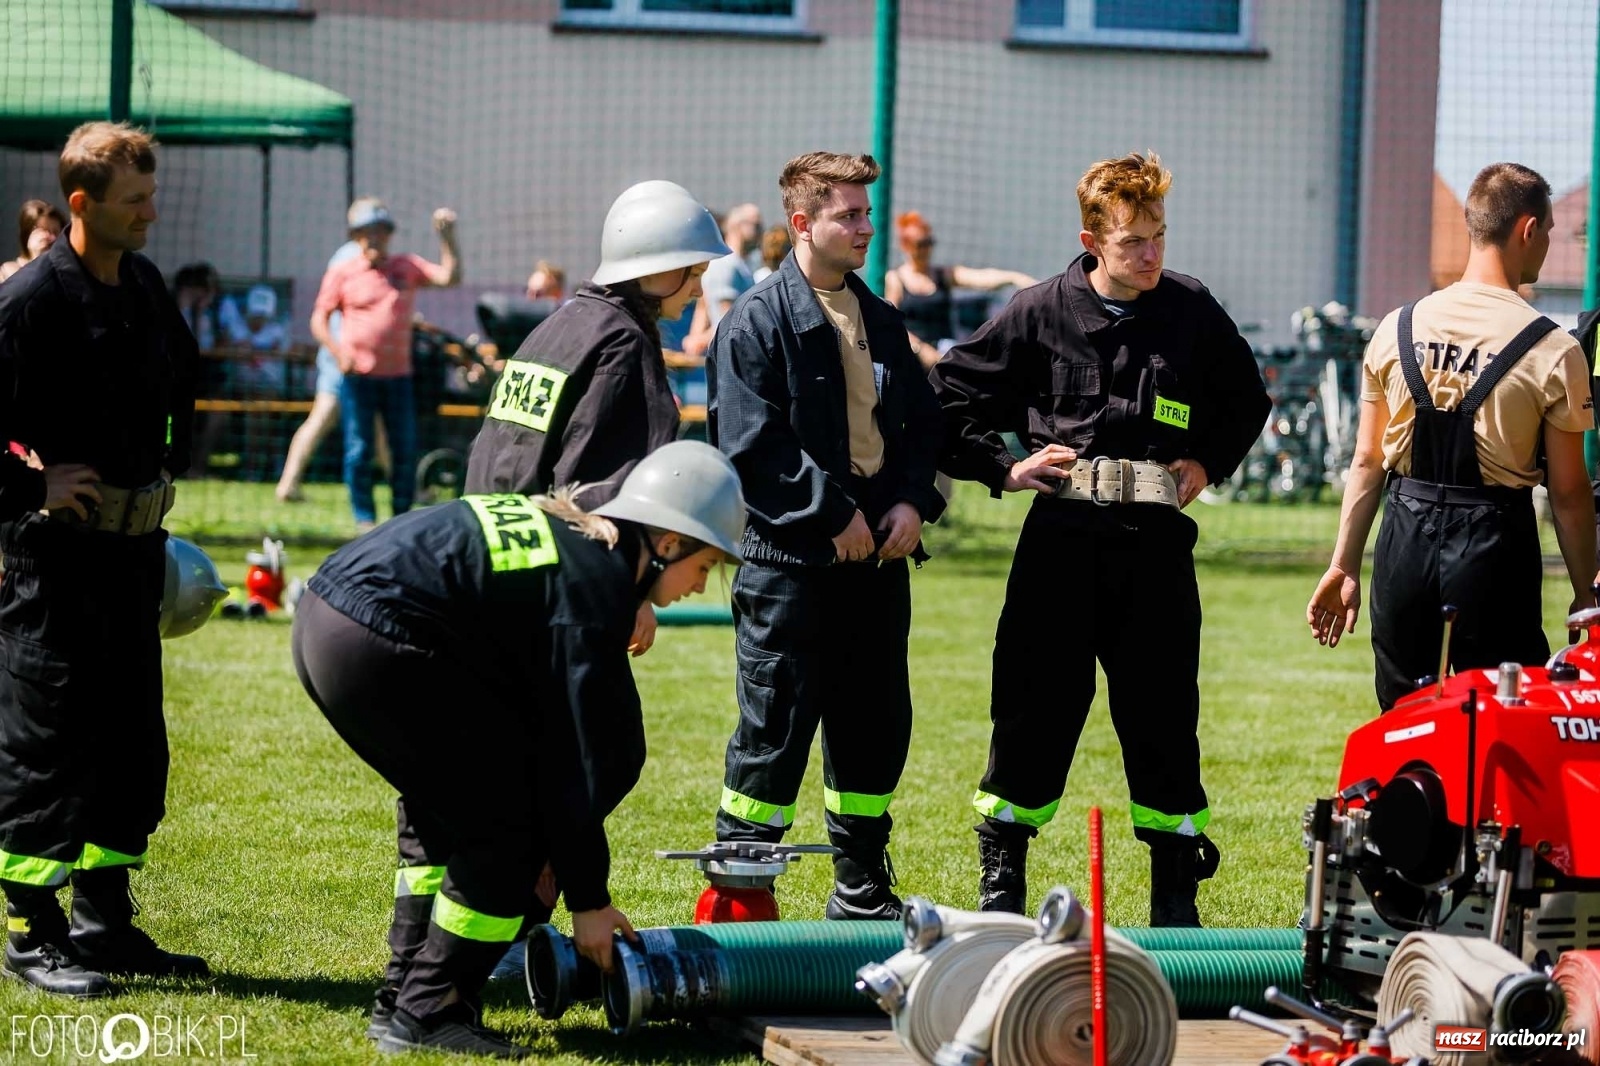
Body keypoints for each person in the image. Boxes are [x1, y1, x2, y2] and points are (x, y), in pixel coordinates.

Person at [292, 441, 746, 1058]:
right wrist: (589, 901)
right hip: (377, 636)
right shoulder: (594, 587)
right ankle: (430, 1012)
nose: (700, 585)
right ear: (668, 543)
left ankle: (405, 999)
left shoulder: (581, 545)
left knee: (446, 811)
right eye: (706, 564)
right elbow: (573, 758)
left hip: (327, 614)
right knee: (512, 824)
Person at [929, 152, 1269, 926]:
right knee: (1033, 707)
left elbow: (1246, 399)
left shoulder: (1190, 309)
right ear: (1091, 241)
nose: (1152, 255)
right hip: (1062, 542)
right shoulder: (1038, 312)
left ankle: (1176, 897)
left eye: (1160, 236)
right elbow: (946, 398)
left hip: (1155, 546)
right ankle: (1002, 885)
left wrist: (1206, 462)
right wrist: (1006, 468)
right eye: (1133, 242)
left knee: (1163, 713)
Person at [707, 151, 945, 921]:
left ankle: (861, 888)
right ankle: (742, 893)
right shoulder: (755, 322)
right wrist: (832, 514)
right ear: (802, 223)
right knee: (773, 729)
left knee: (874, 729)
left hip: (876, 565)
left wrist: (910, 503)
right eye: (849, 215)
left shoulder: (882, 320)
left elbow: (920, 429)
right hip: (789, 567)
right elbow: (751, 446)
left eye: (867, 214)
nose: (866, 228)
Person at [0, 121, 204, 997]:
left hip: (131, 561)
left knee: (129, 749)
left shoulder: (145, 285)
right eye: (135, 201)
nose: (151, 214)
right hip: (55, 568)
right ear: (81, 204)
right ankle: (31, 934)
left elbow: (183, 378)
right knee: (48, 747)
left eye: (153, 196)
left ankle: (103, 924)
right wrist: (29, 486)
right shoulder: (30, 302)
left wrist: (168, 464)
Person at [1308, 162, 1598, 709]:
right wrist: (1587, 593)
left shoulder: (1394, 328)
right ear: (1528, 230)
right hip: (1494, 549)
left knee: (1404, 719)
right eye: (1549, 231)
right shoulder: (1555, 349)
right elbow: (1568, 493)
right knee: (1504, 718)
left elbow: (1367, 460)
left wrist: (1343, 565)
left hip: (1403, 543)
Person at [465, 179, 728, 656]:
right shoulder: (623, 344)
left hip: (489, 552)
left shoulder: (560, 326)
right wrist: (630, 589)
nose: (697, 289)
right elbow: (600, 488)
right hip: (554, 581)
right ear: (655, 268)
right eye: (693, 272)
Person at [311, 197, 460, 532]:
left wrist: (448, 238)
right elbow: (318, 320)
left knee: (403, 448)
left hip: (398, 378)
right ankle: (364, 518)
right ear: (356, 236)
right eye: (368, 232)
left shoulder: (406, 266)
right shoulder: (343, 273)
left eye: (381, 231)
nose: (375, 238)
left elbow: (450, 278)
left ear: (389, 235)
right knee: (359, 449)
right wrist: (338, 352)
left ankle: (401, 516)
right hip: (358, 378)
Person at [276, 240, 369, 503]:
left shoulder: (350, 255)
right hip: (343, 360)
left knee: (375, 428)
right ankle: (288, 484)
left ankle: (288, 484)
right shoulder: (352, 257)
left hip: (349, 360)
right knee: (323, 419)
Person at [885, 210, 1036, 371]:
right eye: (921, 244)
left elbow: (980, 277)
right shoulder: (896, 278)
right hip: (910, 357)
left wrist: (1013, 278)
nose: (926, 249)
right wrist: (920, 348)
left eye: (930, 242)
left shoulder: (943, 275)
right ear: (906, 246)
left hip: (943, 355)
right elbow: (892, 322)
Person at [681, 202, 762, 356]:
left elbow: (703, 307)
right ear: (738, 226)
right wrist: (697, 342)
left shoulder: (740, 264)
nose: (761, 231)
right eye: (756, 225)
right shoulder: (726, 265)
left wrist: (695, 339)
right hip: (731, 354)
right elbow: (727, 320)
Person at [0, 199, 66, 283]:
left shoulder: (64, 272)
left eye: (56, 232)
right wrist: (36, 261)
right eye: (44, 231)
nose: (53, 238)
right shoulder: (8, 272)